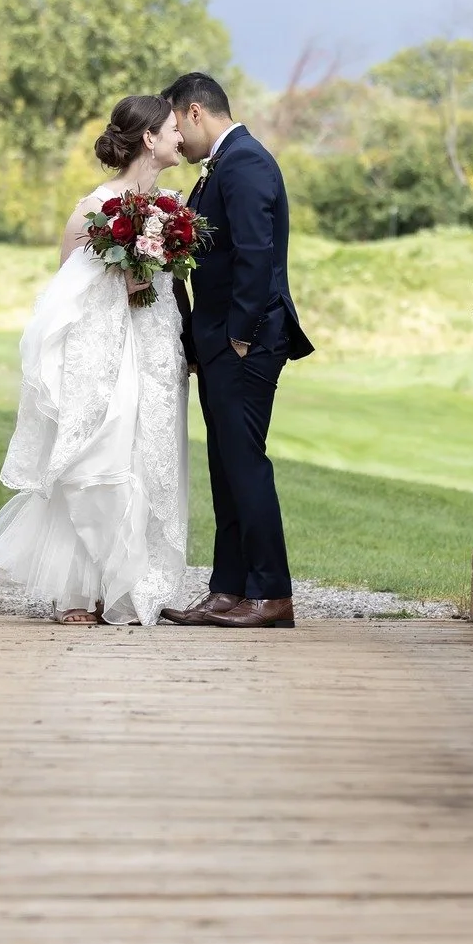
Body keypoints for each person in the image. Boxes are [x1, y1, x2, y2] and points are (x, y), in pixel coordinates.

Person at [0, 94, 191, 625]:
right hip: (106, 351)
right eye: (171, 129)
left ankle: (126, 585)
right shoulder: (93, 209)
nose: (181, 137)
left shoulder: (173, 209)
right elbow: (64, 293)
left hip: (155, 348)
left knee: (148, 456)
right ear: (148, 138)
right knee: (101, 451)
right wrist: (124, 282)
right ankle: (78, 590)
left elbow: (173, 287)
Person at [157, 71, 314, 630]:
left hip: (246, 341)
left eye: (176, 123)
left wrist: (240, 336)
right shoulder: (221, 166)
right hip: (222, 340)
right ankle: (228, 589)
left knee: (245, 465)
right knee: (225, 466)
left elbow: (254, 252)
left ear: (195, 112)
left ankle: (271, 595)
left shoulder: (244, 162)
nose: (176, 136)